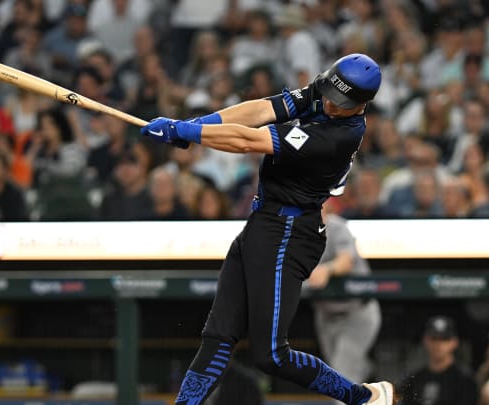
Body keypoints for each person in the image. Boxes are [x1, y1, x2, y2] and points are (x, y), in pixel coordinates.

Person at [140, 53, 394, 405]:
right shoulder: (323, 94)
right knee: (218, 337)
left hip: (292, 232)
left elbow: (249, 141)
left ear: (362, 104)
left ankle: (363, 397)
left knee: (271, 354)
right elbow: (258, 110)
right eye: (331, 97)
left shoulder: (338, 135)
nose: (332, 106)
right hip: (264, 223)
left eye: (343, 103)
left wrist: (188, 133)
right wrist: (197, 124)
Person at [305, 203, 382, 405]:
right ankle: (368, 379)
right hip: (326, 316)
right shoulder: (296, 235)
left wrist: (327, 270)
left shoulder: (335, 226)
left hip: (357, 313)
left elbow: (345, 261)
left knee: (338, 378)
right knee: (342, 372)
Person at [398, 315, 478, 405]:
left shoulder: (465, 379)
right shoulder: (414, 379)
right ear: (425, 340)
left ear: (454, 342)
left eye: (444, 339)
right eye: (434, 338)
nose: (438, 344)